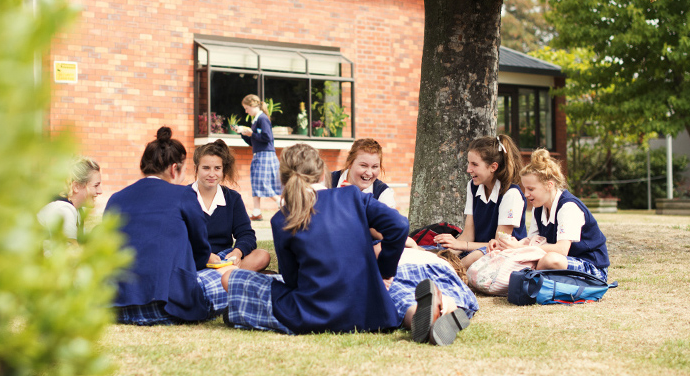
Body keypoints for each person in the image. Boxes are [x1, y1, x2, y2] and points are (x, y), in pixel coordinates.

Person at [220, 144, 478, 345]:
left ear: (284, 179)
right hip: (368, 310)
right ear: (323, 172)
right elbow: (399, 226)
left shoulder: (281, 219)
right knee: (392, 292)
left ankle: (243, 309)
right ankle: (434, 314)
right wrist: (386, 272)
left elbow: (292, 280)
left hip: (314, 312)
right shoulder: (352, 196)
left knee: (232, 278)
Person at [104, 126, 228, 325]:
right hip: (168, 305)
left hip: (117, 308)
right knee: (231, 279)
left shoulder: (115, 199)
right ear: (174, 169)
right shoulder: (183, 195)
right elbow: (201, 249)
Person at [492, 148, 610, 280]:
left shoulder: (568, 207)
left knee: (550, 260)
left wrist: (519, 248)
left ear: (549, 185)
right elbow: (533, 241)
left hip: (591, 266)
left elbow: (561, 250)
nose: (526, 194)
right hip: (563, 261)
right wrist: (513, 245)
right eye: (525, 188)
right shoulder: (539, 208)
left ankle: (531, 278)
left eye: (531, 189)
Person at [434, 135, 526, 269]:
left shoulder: (511, 194)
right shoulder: (473, 186)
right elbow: (468, 235)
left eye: (474, 164)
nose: (468, 169)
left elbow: (498, 245)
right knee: (441, 253)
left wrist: (460, 245)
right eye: (469, 163)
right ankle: (438, 265)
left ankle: (446, 272)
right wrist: (449, 249)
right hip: (477, 249)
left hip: (502, 254)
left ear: (493, 167)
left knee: (474, 256)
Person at [191, 139, 271, 272]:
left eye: (217, 168)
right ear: (196, 169)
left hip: (225, 260)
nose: (212, 174)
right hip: (195, 258)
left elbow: (246, 234)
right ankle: (227, 278)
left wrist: (238, 253)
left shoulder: (232, 198)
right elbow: (179, 239)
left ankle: (215, 279)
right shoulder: (184, 197)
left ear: (223, 170)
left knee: (262, 256)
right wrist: (205, 255)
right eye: (206, 168)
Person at [331, 138, 417, 253]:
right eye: (363, 165)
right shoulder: (328, 182)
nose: (369, 172)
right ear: (350, 163)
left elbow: (389, 230)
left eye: (375, 167)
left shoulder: (383, 192)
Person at [234, 94, 281, 221]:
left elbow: (267, 138)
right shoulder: (256, 120)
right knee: (255, 182)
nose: (246, 111)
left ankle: (281, 203)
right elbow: (253, 142)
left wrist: (251, 133)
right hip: (259, 154)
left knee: (262, 182)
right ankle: (256, 212)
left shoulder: (262, 119)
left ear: (252, 105)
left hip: (265, 155)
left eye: (246, 108)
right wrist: (244, 134)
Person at [37, 157, 102, 243]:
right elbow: (73, 252)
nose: (100, 191)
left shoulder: (78, 211)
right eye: (96, 185)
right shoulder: (63, 209)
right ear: (76, 187)